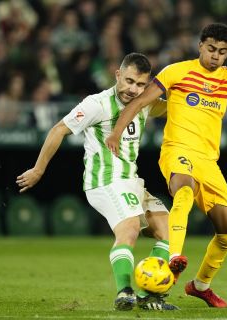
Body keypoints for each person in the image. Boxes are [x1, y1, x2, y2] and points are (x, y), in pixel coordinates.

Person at [106, 23, 227, 308]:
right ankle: (174, 258)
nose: (215, 56)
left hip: (208, 161)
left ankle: (200, 286)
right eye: (211, 49)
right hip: (177, 151)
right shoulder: (176, 72)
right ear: (200, 46)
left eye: (222, 52)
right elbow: (139, 102)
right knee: (184, 191)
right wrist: (116, 131)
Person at [16, 53, 178, 311]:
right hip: (104, 181)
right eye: (129, 81)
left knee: (169, 229)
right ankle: (125, 292)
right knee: (130, 228)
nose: (133, 89)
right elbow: (59, 129)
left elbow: (175, 106)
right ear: (117, 75)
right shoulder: (97, 104)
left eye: (139, 85)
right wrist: (38, 169)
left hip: (131, 181)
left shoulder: (144, 102)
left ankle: (148, 294)